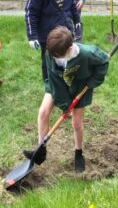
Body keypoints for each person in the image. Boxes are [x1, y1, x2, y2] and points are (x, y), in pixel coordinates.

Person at [23, 26, 109, 172]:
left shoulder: (86, 54)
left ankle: (78, 153)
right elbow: (52, 77)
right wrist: (65, 104)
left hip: (80, 88)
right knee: (43, 112)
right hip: (57, 84)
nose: (52, 56)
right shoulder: (51, 52)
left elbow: (104, 61)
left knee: (76, 123)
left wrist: (92, 82)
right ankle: (40, 151)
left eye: (56, 55)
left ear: (69, 49)